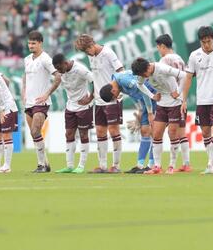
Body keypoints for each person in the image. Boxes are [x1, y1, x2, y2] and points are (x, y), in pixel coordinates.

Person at [181, 26, 213, 174]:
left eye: (208, 41)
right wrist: (183, 99)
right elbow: (188, 77)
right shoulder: (194, 55)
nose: (206, 45)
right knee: (205, 132)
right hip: (202, 100)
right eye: (203, 42)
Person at [74, 34, 124, 173]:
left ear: (91, 45)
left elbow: (121, 71)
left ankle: (116, 165)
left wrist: (118, 89)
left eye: (86, 50)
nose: (86, 54)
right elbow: (96, 78)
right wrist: (91, 97)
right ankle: (102, 165)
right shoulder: (91, 56)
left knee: (114, 131)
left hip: (112, 99)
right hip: (98, 101)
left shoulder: (108, 53)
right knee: (100, 131)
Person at [132, 56, 186, 174]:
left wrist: (179, 91)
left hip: (175, 103)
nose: (144, 77)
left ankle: (171, 166)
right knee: (156, 134)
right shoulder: (143, 73)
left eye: (144, 74)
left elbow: (184, 75)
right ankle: (157, 167)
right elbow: (139, 84)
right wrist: (152, 96)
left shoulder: (162, 68)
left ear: (148, 67)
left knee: (172, 133)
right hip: (161, 104)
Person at [99, 70, 159, 174]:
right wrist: (140, 112)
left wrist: (149, 113)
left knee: (154, 131)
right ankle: (140, 165)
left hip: (154, 95)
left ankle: (152, 165)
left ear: (113, 91)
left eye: (114, 97)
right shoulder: (117, 84)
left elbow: (143, 89)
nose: (117, 97)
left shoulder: (125, 81)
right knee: (144, 131)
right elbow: (135, 95)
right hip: (145, 102)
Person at [22, 31, 62, 173]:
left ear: (40, 43)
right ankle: (46, 163)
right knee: (34, 135)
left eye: (33, 43)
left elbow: (58, 77)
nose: (31, 45)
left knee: (35, 131)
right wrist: (23, 93)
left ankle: (41, 165)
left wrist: (46, 94)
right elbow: (25, 77)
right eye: (29, 43)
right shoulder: (27, 59)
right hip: (29, 102)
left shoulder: (46, 59)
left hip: (41, 102)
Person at [155, 34, 191, 172]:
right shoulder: (179, 58)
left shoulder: (164, 60)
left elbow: (161, 79)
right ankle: (186, 164)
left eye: (159, 47)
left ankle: (172, 165)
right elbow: (186, 76)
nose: (159, 50)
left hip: (171, 100)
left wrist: (161, 92)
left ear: (163, 46)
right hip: (181, 99)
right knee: (182, 133)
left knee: (172, 133)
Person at [52, 54, 94, 174]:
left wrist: (90, 98)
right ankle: (69, 166)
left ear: (65, 63)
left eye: (60, 68)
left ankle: (81, 166)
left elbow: (94, 81)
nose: (59, 72)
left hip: (83, 106)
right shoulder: (62, 71)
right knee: (69, 134)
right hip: (70, 106)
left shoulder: (80, 69)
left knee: (83, 135)